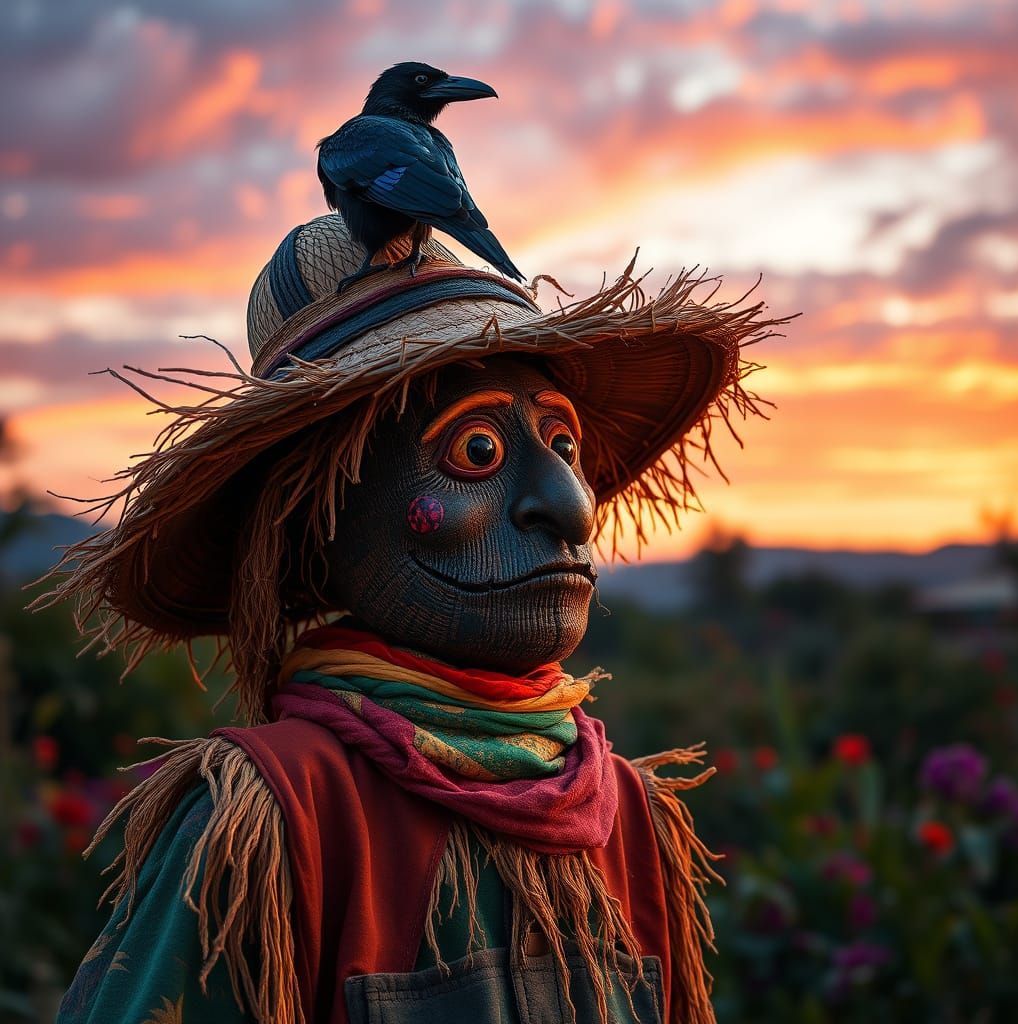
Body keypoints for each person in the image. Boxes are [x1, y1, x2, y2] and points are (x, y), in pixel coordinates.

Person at [50, 213, 781, 1024]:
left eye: (565, 446)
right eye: (476, 453)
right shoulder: (278, 824)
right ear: (318, 526)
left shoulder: (626, 818)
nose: (571, 507)